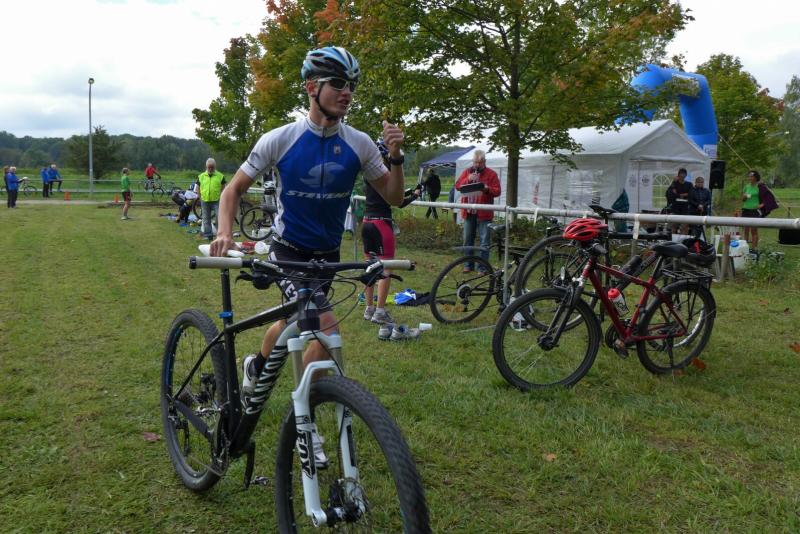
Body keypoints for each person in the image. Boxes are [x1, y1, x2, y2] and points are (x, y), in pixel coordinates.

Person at [210, 46, 405, 464]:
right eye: (338, 84)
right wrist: (224, 232)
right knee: (322, 326)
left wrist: (396, 157)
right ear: (312, 87)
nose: (347, 92)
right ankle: (305, 422)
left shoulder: (359, 143)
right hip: (289, 252)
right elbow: (232, 191)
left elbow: (394, 195)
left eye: (351, 86)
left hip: (327, 256)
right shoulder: (281, 139)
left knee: (291, 323)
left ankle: (256, 367)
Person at [362, 139, 420, 325]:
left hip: (367, 221)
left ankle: (369, 308)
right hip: (381, 223)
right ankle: (380, 311)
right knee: (386, 266)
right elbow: (398, 202)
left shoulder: (370, 173)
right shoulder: (388, 174)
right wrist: (414, 196)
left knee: (370, 266)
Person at [454, 150, 501, 272]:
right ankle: (468, 265)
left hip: (484, 213)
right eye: (475, 162)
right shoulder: (467, 172)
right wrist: (468, 179)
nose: (477, 165)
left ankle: (482, 267)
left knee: (484, 242)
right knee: (467, 240)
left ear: (485, 161)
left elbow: (497, 191)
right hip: (469, 212)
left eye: (480, 162)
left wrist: (486, 189)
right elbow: (457, 186)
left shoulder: (491, 174)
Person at [197, 158, 226, 239]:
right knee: (206, 219)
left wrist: (221, 197)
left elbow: (223, 187)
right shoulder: (201, 176)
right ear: (206, 167)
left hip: (217, 200)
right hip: (204, 200)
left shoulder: (220, 176)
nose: (210, 169)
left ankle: (220, 235)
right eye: (209, 167)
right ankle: (208, 235)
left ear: (215, 167)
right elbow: (198, 188)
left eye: (212, 167)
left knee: (219, 217)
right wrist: (200, 197)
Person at [741, 169, 765, 251]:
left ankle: (754, 249)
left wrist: (761, 205)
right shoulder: (746, 186)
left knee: (753, 230)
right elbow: (743, 199)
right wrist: (744, 197)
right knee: (746, 230)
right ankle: (745, 249)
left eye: (751, 176)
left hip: (754, 211)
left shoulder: (759, 187)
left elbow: (767, 199)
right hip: (746, 209)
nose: (750, 178)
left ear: (756, 177)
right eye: (749, 176)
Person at [666, 168, 692, 234]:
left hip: (685, 209)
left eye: (684, 174)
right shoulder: (674, 184)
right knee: (673, 227)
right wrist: (673, 182)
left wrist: (678, 194)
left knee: (684, 227)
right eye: (681, 174)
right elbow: (670, 193)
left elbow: (690, 194)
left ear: (686, 175)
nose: (682, 176)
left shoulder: (689, 184)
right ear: (678, 175)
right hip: (675, 208)